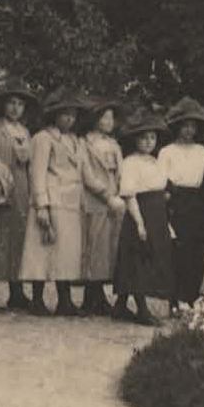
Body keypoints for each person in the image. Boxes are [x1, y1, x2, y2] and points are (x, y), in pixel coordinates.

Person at [28, 100, 89, 313]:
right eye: (64, 114)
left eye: (72, 115)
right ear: (54, 115)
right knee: (44, 250)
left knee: (66, 252)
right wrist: (41, 205)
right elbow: (37, 173)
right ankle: (37, 299)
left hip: (70, 201)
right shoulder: (43, 138)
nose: (69, 119)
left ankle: (65, 300)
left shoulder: (75, 141)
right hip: (52, 199)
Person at [112, 121, 173, 320]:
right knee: (137, 257)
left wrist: (163, 197)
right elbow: (130, 194)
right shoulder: (131, 162)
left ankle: (120, 306)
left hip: (157, 213)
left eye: (152, 138)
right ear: (135, 140)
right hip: (140, 211)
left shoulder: (155, 162)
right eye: (144, 138)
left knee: (148, 256)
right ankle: (142, 310)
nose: (148, 142)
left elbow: (160, 186)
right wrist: (139, 222)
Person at [159, 107, 204, 304]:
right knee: (177, 250)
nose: (188, 131)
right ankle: (174, 300)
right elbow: (160, 177)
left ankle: (192, 297)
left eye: (192, 127)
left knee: (197, 249)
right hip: (175, 200)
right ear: (177, 127)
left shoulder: (202, 151)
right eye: (184, 126)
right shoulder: (167, 151)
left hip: (196, 201)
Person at [0, 90, 36, 311]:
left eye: (20, 104)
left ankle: (16, 290)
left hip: (21, 185)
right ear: (3, 106)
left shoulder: (25, 132)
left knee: (18, 235)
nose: (15, 108)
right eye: (11, 103)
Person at [73, 102, 124, 309]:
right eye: (104, 118)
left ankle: (100, 292)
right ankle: (90, 294)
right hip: (94, 198)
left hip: (114, 196)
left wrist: (119, 192)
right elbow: (86, 173)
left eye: (111, 118)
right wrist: (104, 194)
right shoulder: (84, 143)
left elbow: (120, 171)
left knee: (109, 247)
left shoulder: (114, 144)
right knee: (93, 244)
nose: (108, 122)